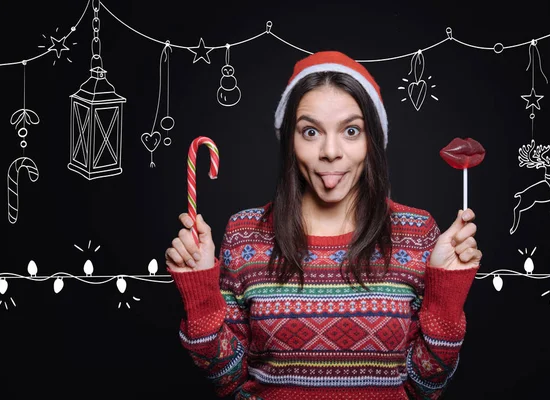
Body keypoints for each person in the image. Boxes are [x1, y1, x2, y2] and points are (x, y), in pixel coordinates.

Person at [165, 50, 482, 399]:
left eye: (350, 130)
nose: (331, 152)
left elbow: (425, 387)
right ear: (290, 141)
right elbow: (226, 378)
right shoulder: (244, 233)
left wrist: (445, 298)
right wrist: (200, 296)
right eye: (311, 131)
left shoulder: (417, 232)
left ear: (372, 141)